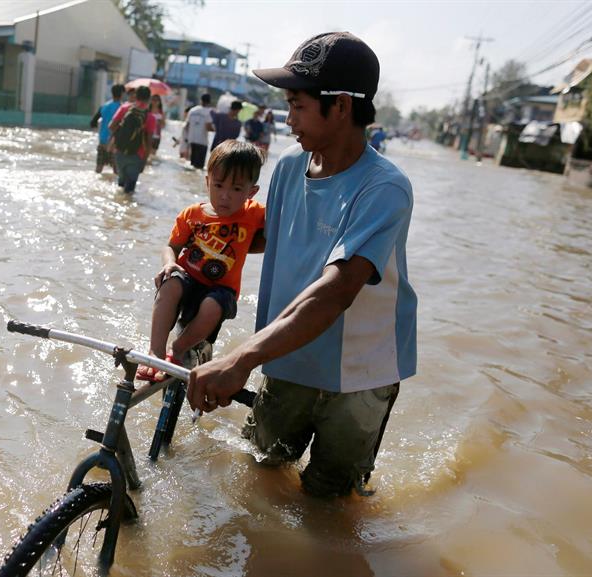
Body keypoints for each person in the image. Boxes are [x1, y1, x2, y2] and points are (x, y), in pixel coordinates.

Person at [187, 31, 417, 499]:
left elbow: (335, 291)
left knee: (328, 500)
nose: (287, 118)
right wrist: (193, 261)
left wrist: (241, 357)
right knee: (260, 472)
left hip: (358, 375)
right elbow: (267, 237)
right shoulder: (291, 166)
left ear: (341, 107)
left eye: (298, 105)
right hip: (286, 355)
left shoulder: (384, 188)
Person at [137, 140, 266, 382]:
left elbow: (282, 226)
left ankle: (177, 349)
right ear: (207, 181)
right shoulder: (192, 214)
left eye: (237, 189)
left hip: (221, 290)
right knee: (170, 282)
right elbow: (170, 247)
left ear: (251, 192)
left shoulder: (255, 214)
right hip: (188, 278)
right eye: (218, 185)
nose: (225, 196)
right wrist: (168, 264)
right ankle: (155, 351)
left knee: (212, 306)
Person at [108, 85, 156, 194]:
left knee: (120, 185)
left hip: (119, 151)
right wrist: (144, 161)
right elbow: (149, 143)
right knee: (129, 191)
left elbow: (111, 126)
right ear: (149, 98)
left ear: (136, 96)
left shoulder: (125, 108)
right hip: (137, 155)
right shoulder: (150, 117)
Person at [90, 83, 124, 174]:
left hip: (102, 142)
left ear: (112, 93)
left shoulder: (104, 106)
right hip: (114, 143)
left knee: (98, 170)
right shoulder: (122, 108)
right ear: (122, 94)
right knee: (117, 172)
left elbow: (93, 123)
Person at [185, 93, 214, 169]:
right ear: (209, 101)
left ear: (201, 100)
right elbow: (208, 127)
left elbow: (187, 125)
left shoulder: (192, 110)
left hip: (192, 140)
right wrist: (216, 130)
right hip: (202, 141)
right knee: (199, 167)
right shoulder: (209, 112)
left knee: (192, 164)